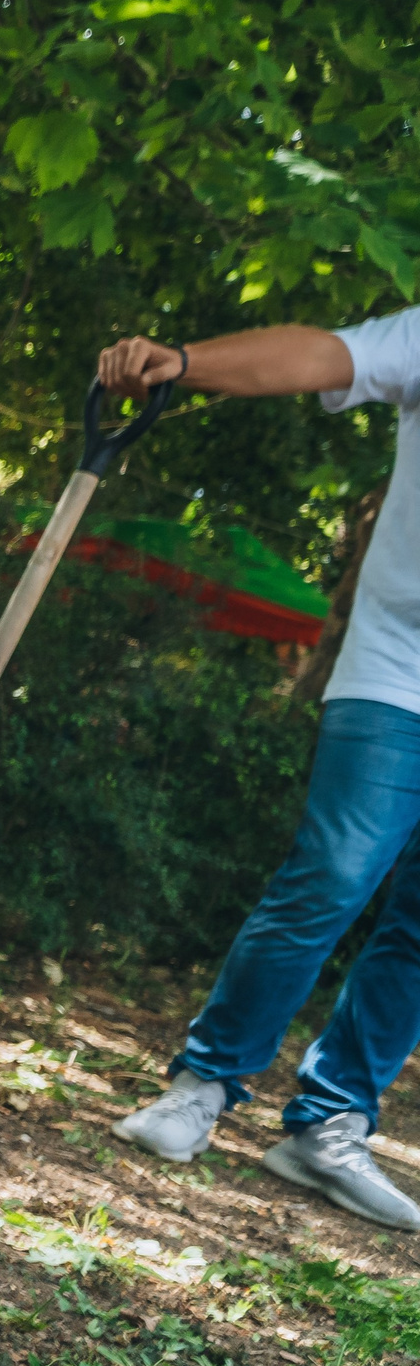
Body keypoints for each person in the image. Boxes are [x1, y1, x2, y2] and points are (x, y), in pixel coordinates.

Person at [104, 308, 420, 1229]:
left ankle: (330, 1123)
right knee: (333, 871)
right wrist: (187, 361)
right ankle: (202, 1086)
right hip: (399, 669)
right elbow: (326, 353)